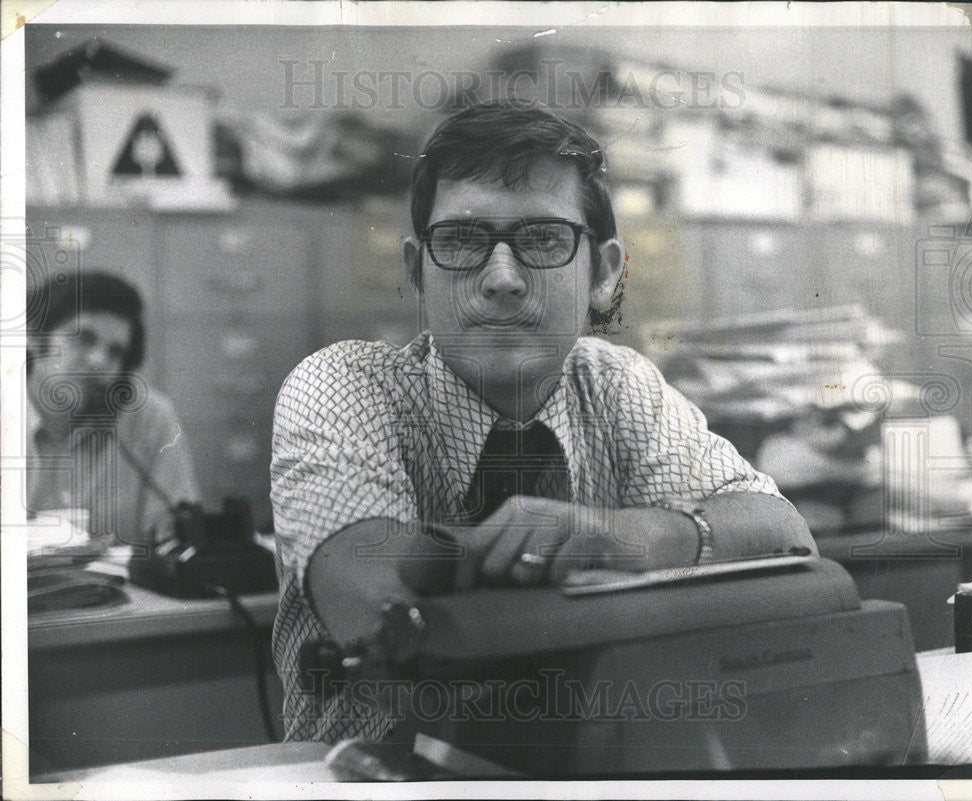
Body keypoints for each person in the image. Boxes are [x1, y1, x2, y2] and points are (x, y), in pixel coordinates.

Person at [270, 100, 817, 743]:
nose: (501, 279)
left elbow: (785, 535)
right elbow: (380, 614)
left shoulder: (616, 384)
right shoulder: (345, 384)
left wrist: (626, 537)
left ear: (604, 274)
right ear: (418, 271)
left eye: (542, 239)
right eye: (463, 240)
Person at [26, 271, 199, 550]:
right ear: (35, 337)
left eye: (116, 352)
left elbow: (177, 538)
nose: (98, 361)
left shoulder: (148, 417)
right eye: (83, 338)